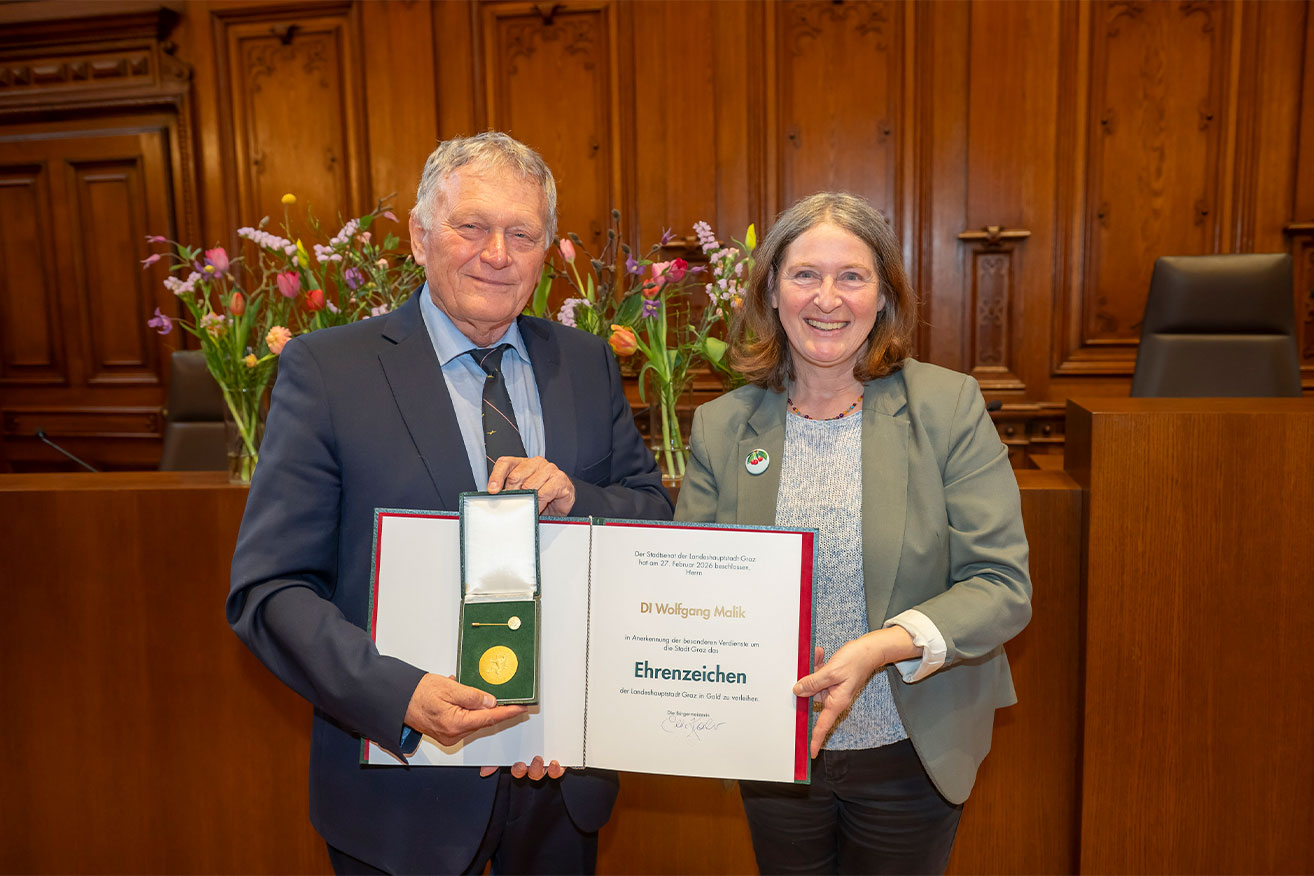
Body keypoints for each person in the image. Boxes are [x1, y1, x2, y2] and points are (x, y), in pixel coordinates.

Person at [227, 132, 673, 875]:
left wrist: (577, 495)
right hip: (401, 795)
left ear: (545, 251)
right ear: (420, 236)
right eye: (471, 226)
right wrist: (400, 696)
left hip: (561, 782)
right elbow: (269, 591)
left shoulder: (587, 362)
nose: (497, 253)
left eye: (522, 234)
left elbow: (651, 517)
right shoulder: (329, 371)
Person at [675, 192, 1031, 875]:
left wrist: (879, 648)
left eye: (852, 276)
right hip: (775, 747)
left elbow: (1001, 585)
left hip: (911, 750)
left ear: (884, 295)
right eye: (805, 274)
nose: (827, 298)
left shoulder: (948, 407)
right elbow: (692, 587)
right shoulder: (723, 426)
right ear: (771, 291)